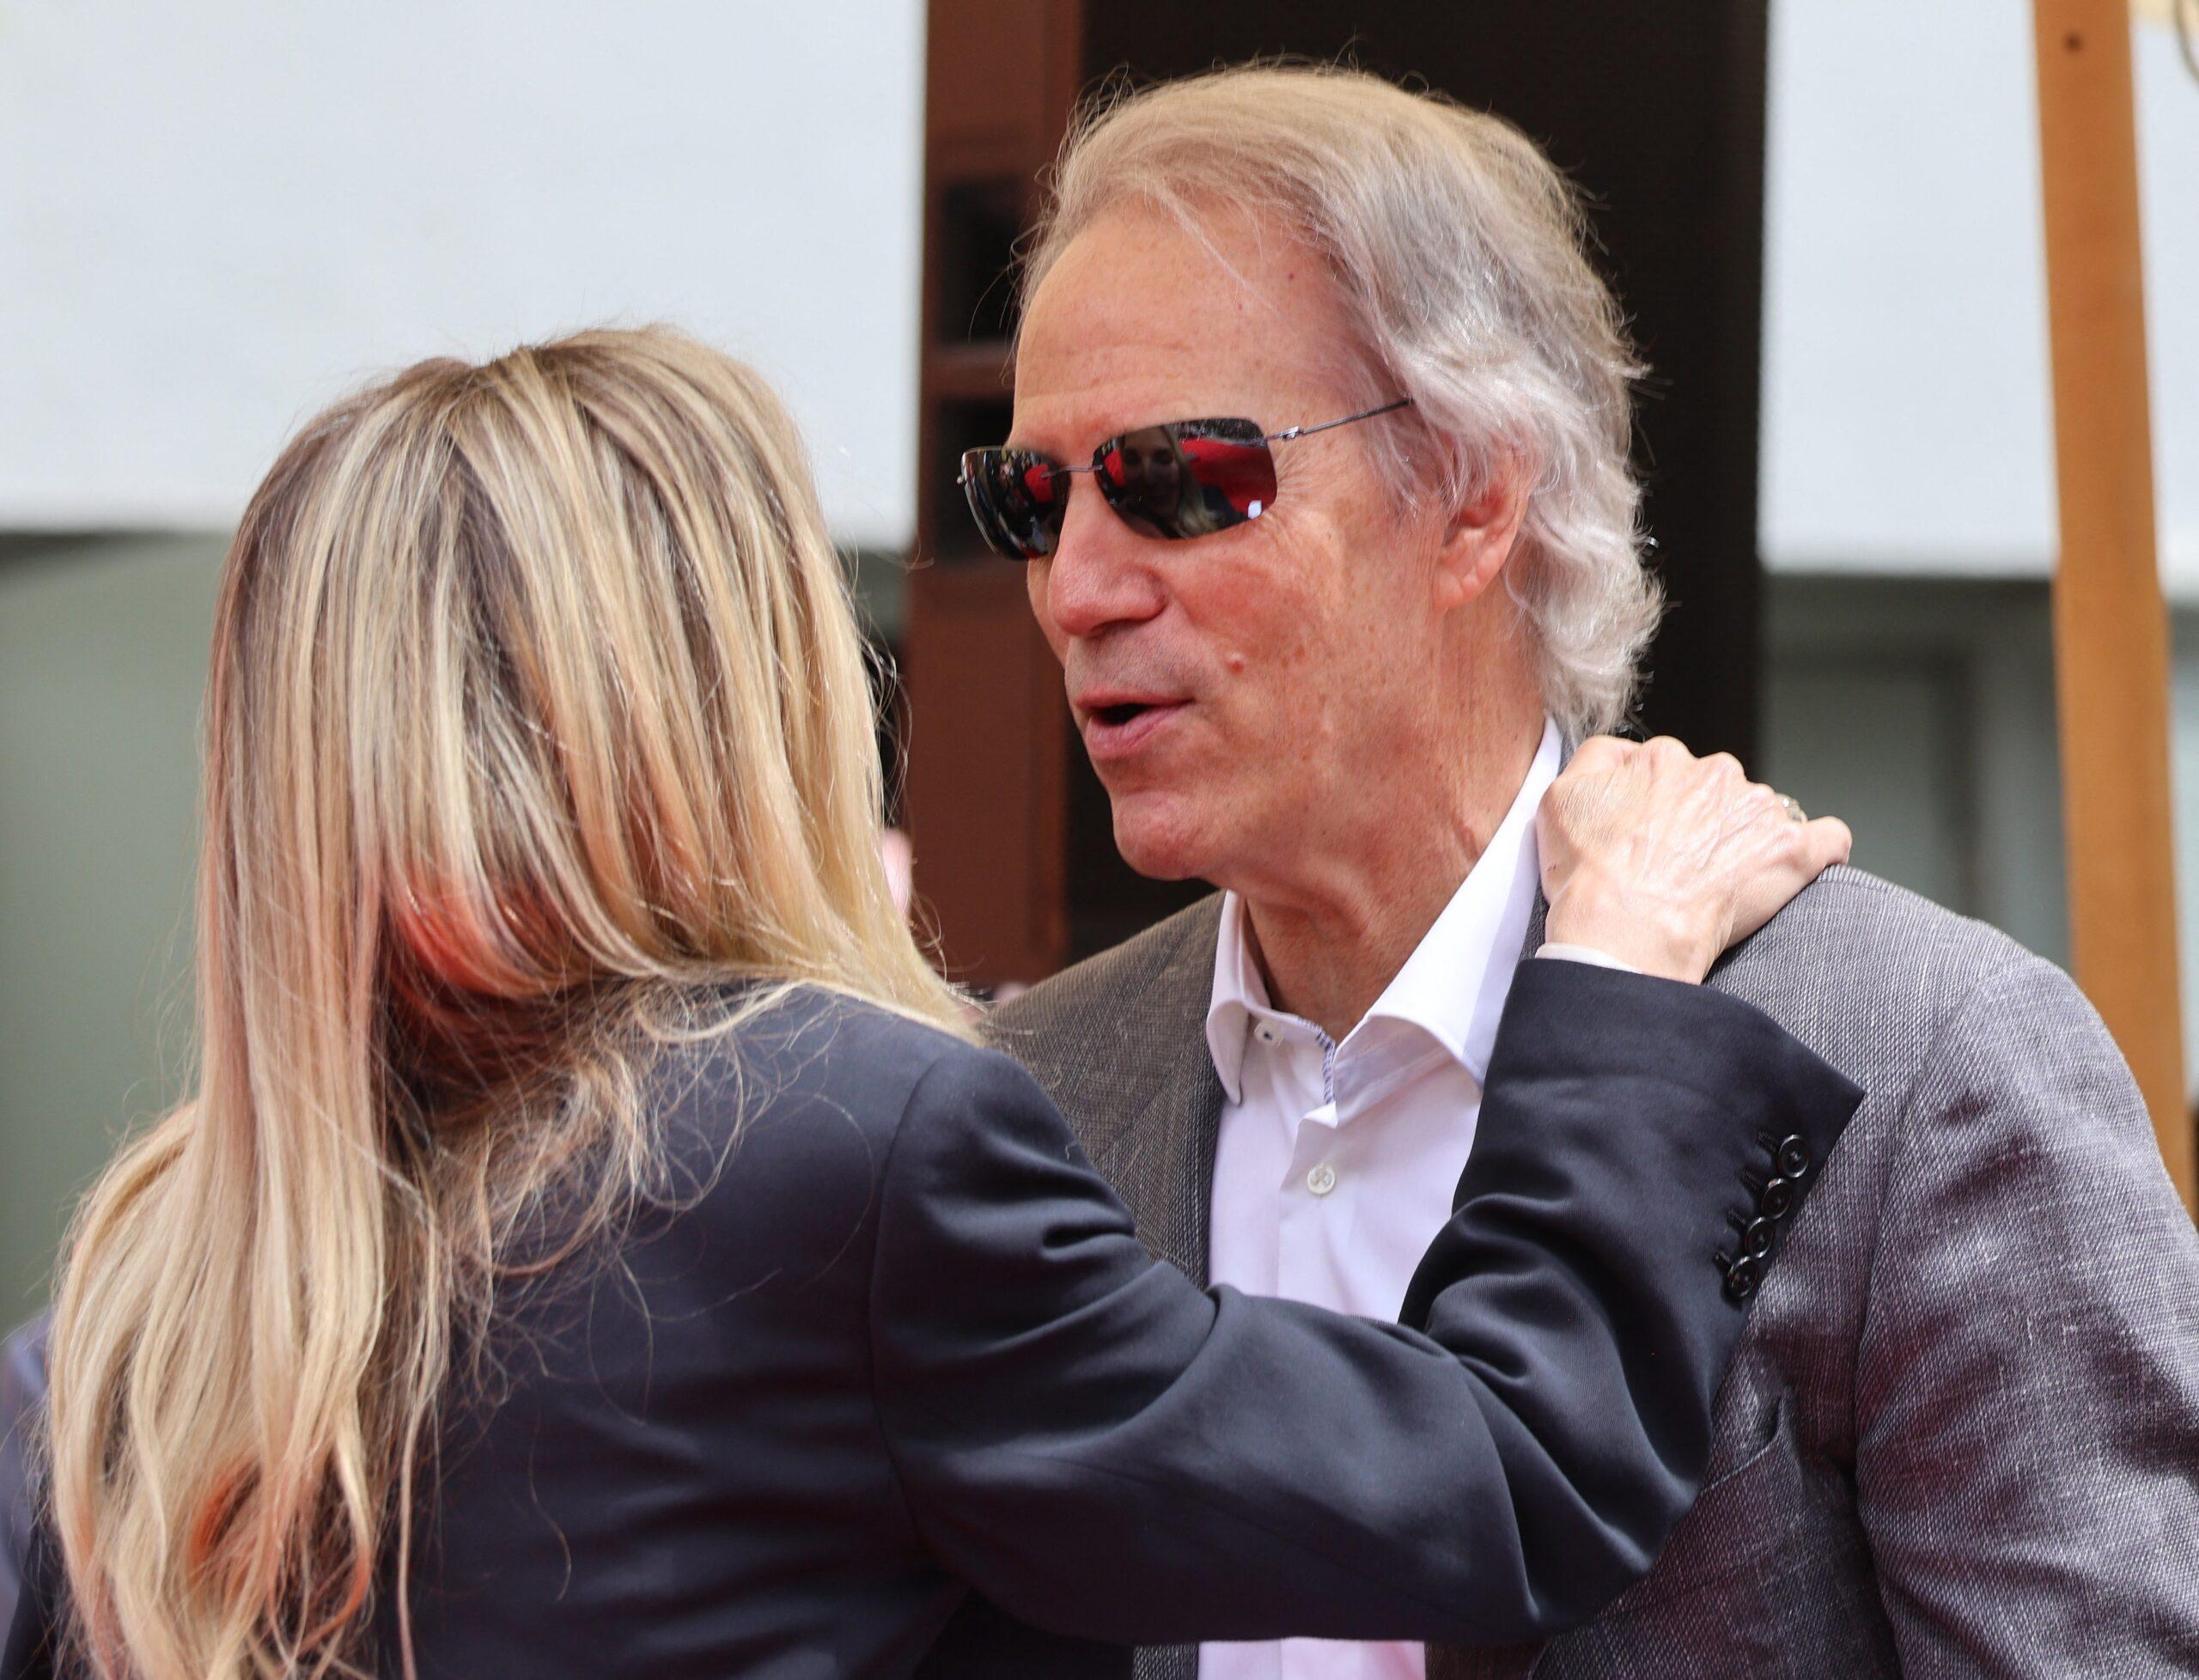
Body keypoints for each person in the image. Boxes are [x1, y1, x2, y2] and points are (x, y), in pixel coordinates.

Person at [0, 329, 1859, 1680]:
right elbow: (1501, 1482)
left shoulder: (136, 1300)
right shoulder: (827, 1138)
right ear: (732, 693)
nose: (1073, 586)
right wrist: (1616, 973)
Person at [972, 64, 2199, 1680]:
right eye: (1032, 499)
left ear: (1476, 498)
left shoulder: (1926, 1070)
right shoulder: (1031, 1100)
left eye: (1178, 479)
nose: (1078, 588)